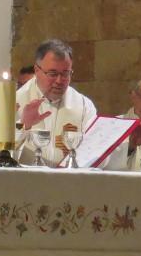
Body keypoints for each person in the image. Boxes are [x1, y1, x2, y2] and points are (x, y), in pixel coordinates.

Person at [16, 39, 98, 167]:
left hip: (68, 178)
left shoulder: (83, 106)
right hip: (25, 178)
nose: (59, 81)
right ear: (37, 70)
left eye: (65, 73)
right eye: (52, 73)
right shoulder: (15, 102)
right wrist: (23, 125)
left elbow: (95, 149)